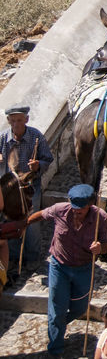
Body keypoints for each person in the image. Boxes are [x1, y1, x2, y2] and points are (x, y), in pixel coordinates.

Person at [3, 184, 107, 357]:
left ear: (89, 205)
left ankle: (58, 324)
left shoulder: (101, 218)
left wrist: (100, 248)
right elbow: (42, 214)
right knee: (56, 310)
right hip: (59, 267)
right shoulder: (60, 210)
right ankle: (55, 349)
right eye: (74, 208)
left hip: (84, 268)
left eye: (81, 209)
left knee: (79, 308)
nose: (76, 212)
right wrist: (25, 223)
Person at [1, 104, 54, 280]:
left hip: (30, 187)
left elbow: (48, 158)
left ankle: (32, 258)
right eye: (13, 121)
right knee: (11, 220)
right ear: (8, 121)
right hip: (10, 190)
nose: (16, 124)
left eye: (20, 120)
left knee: (31, 222)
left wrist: (38, 165)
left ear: (27, 120)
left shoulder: (36, 136)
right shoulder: (2, 139)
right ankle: (15, 257)